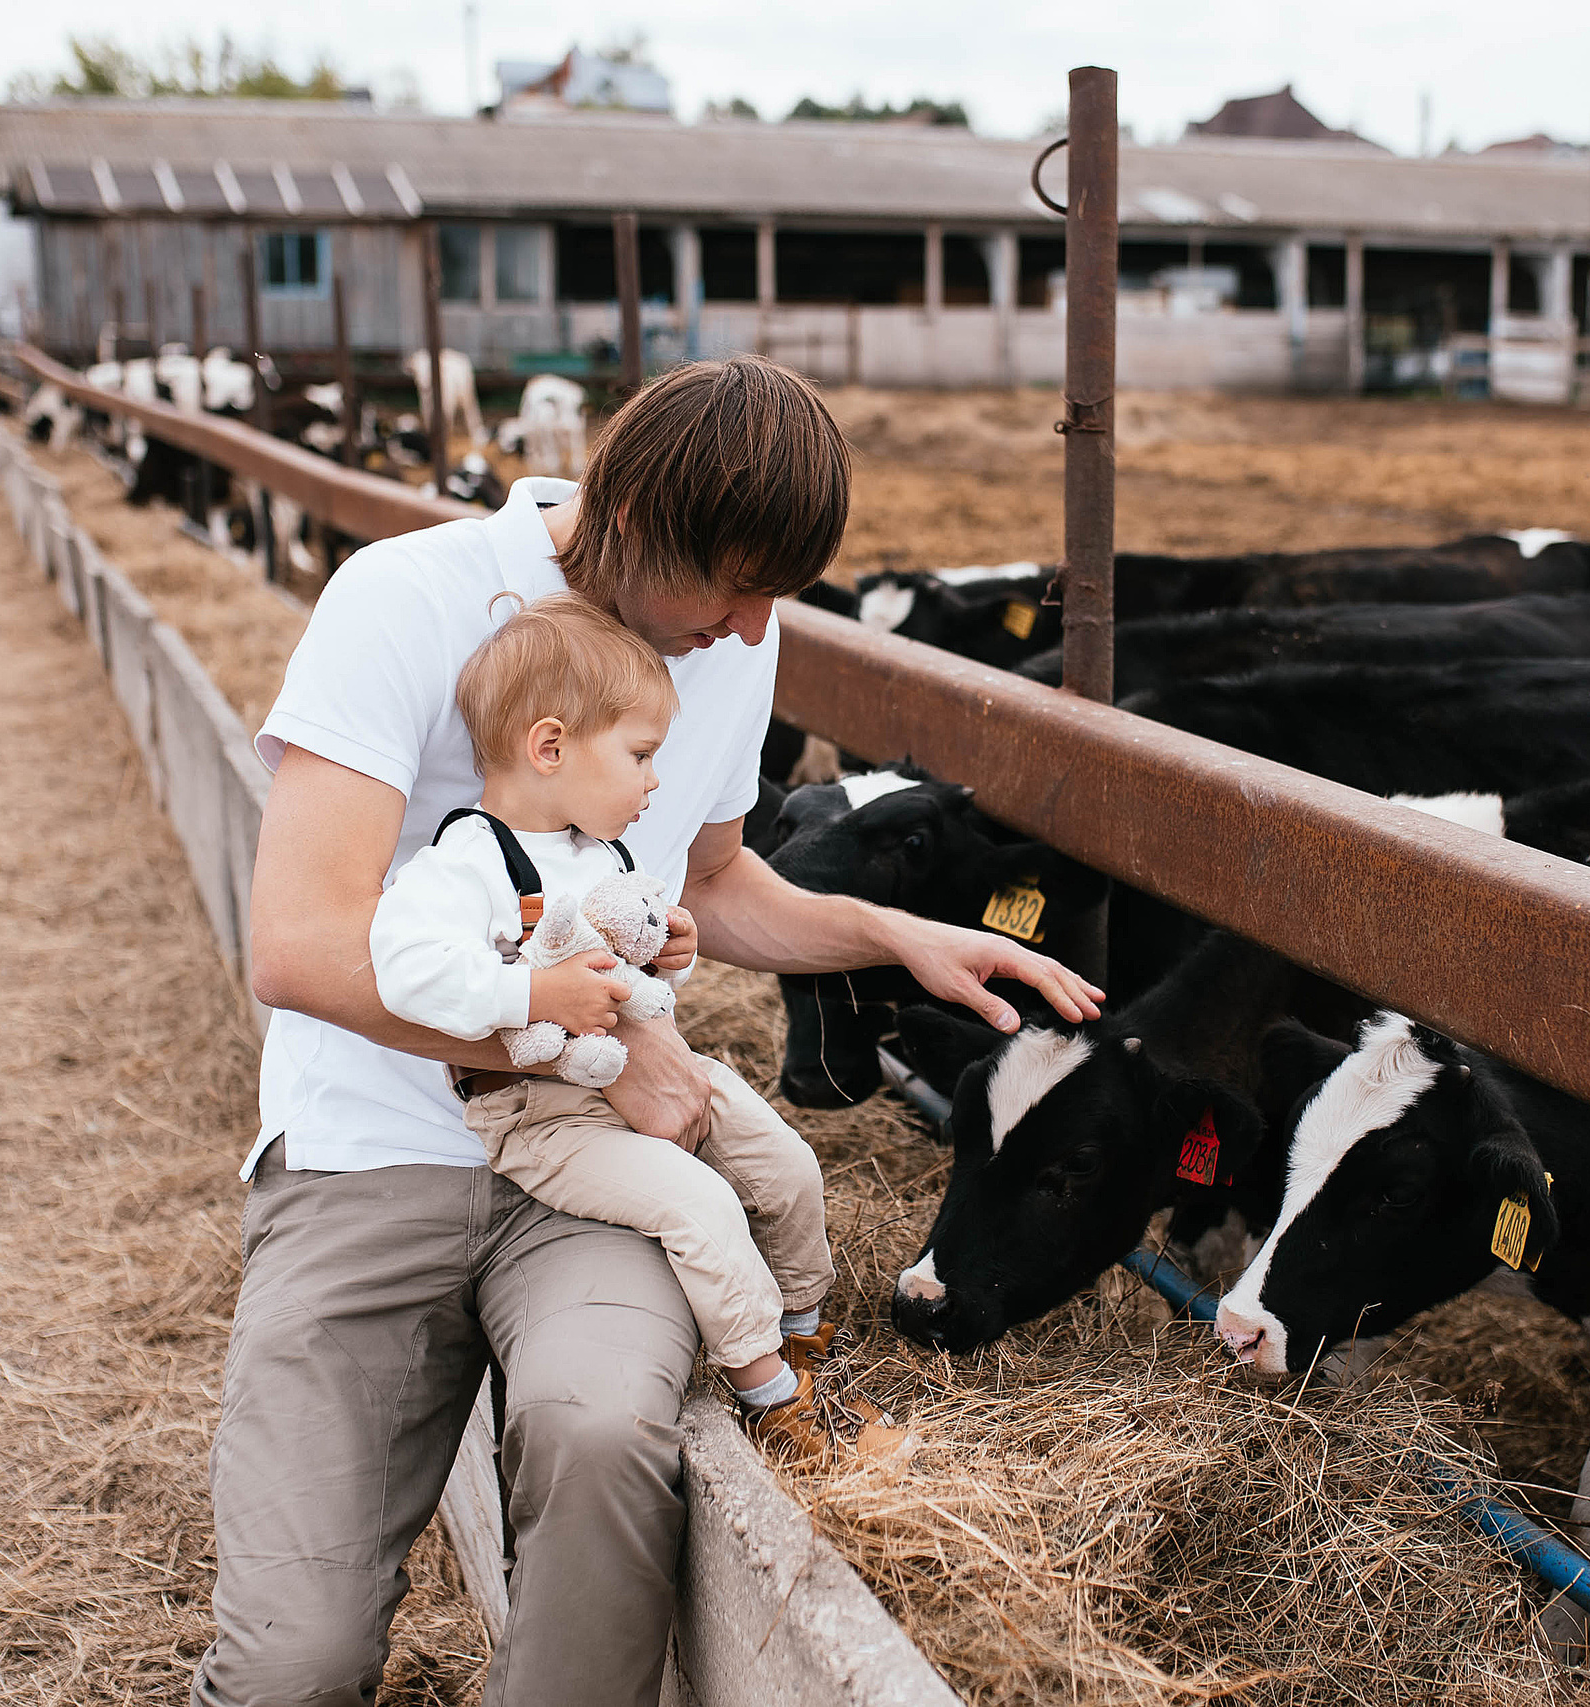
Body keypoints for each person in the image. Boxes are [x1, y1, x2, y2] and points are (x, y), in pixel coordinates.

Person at [197, 354, 1102, 1707]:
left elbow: (715, 874)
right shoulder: (405, 598)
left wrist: (889, 931)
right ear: (625, 518)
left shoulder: (732, 642)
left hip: (585, 1172)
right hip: (372, 1151)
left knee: (607, 1430)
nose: (750, 629)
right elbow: (299, 942)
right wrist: (586, 1034)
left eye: (773, 594)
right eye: (732, 584)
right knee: (295, 1662)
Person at [365, 589, 898, 1465]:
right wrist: (533, 996)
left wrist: (676, 948)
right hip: (544, 1115)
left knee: (788, 1168)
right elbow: (406, 968)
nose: (656, 780)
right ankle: (773, 1396)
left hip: (654, 1070)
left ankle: (808, 1337)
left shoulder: (601, 849)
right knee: (704, 1208)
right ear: (549, 746)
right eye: (642, 754)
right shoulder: (465, 861)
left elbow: (639, 962)